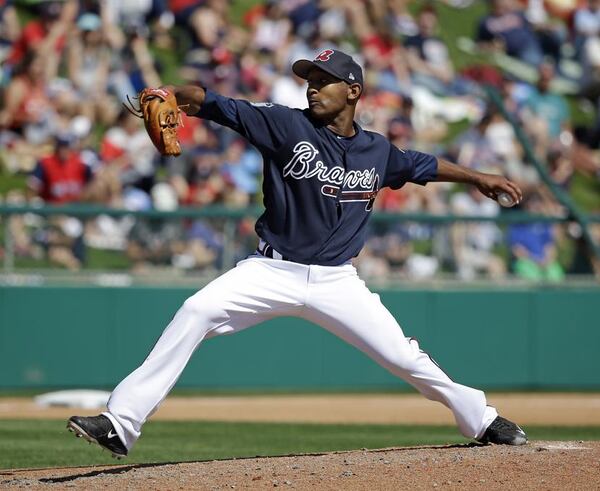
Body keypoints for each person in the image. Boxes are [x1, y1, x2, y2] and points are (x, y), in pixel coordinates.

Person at [67, 49, 527, 458]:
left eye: (322, 80)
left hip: (337, 282)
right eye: (308, 79)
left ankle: (480, 419)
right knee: (195, 310)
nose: (312, 88)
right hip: (270, 270)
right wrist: (170, 91)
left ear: (353, 91)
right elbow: (212, 103)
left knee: (404, 357)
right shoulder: (285, 123)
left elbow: (423, 165)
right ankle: (120, 424)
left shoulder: (378, 151)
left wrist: (479, 177)